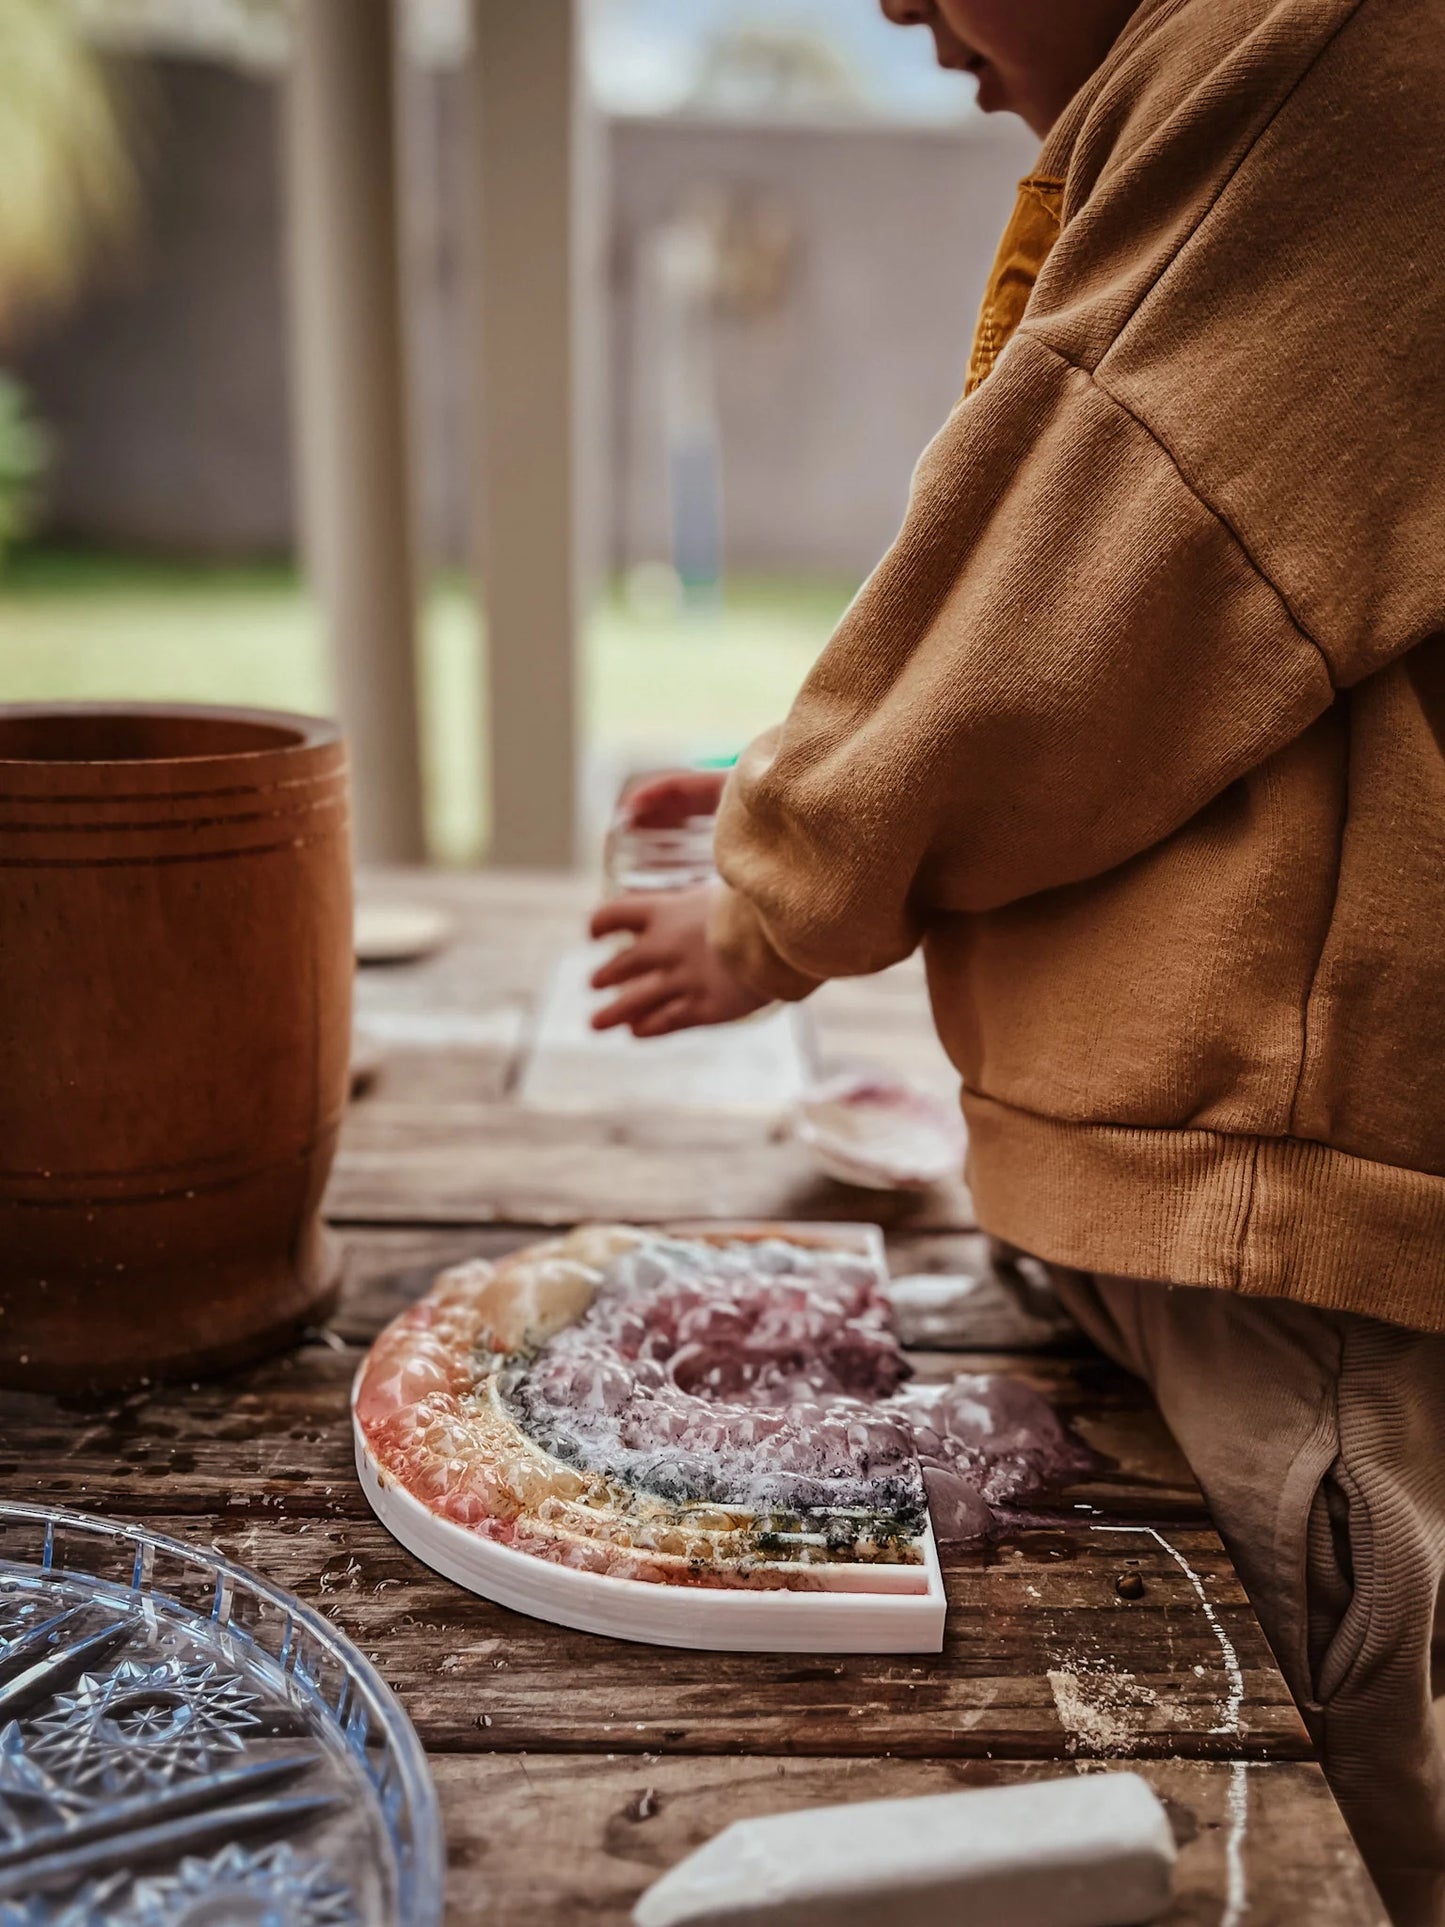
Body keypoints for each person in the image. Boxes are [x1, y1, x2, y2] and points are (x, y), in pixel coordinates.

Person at [589, 3, 1445, 1919]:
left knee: (1293, 1841)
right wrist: (800, 782)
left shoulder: (1334, 33)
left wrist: (776, 890)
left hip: (1252, 1213)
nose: (894, 3)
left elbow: (1106, 541)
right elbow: (1213, 642)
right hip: (1159, 1193)